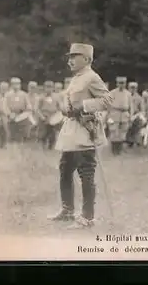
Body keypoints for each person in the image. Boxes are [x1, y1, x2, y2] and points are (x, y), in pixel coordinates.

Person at [48, 43, 112, 229]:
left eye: (73, 57)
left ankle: (87, 217)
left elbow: (107, 100)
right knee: (65, 169)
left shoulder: (92, 77)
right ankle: (67, 210)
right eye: (69, 57)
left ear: (86, 59)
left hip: (85, 131)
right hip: (70, 131)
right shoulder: (76, 78)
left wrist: (84, 106)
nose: (69, 61)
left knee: (86, 173)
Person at [107, 76, 133, 155]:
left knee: (123, 133)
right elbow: (108, 105)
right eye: (120, 83)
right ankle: (114, 150)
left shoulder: (128, 94)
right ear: (117, 84)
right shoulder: (112, 93)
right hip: (114, 114)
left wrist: (131, 116)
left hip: (125, 115)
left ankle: (120, 150)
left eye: (123, 83)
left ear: (125, 84)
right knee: (114, 132)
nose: (121, 85)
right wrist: (109, 116)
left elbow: (131, 106)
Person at [37, 80, 64, 150]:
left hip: (53, 117)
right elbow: (37, 108)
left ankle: (51, 147)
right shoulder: (41, 97)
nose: (49, 89)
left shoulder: (56, 97)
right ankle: (43, 146)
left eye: (50, 87)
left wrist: (58, 116)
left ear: (53, 88)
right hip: (44, 116)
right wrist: (42, 116)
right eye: (47, 87)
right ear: (44, 88)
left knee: (53, 133)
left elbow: (60, 107)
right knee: (43, 133)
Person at [5, 77, 32, 143]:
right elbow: (5, 106)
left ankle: (21, 144)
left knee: (22, 133)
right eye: (14, 84)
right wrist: (9, 114)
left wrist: (27, 109)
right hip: (11, 116)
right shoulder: (8, 94)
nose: (16, 85)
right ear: (11, 85)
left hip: (21, 115)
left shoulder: (24, 94)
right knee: (12, 133)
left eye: (17, 84)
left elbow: (28, 105)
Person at [126, 82, 144, 148]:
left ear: (136, 89)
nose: (132, 89)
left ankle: (137, 141)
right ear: (128, 88)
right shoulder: (125, 96)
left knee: (137, 127)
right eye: (131, 88)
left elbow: (142, 109)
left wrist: (136, 115)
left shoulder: (139, 98)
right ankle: (129, 141)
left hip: (136, 115)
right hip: (126, 114)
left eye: (134, 88)